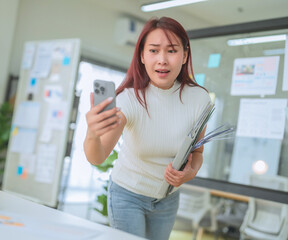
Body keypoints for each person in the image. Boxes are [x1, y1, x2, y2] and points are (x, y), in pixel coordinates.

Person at [84, 17, 211, 240]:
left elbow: (197, 153)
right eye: (153, 51)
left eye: (171, 50)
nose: (162, 60)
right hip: (127, 196)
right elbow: (98, 157)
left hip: (168, 199)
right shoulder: (129, 100)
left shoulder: (199, 98)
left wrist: (189, 173)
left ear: (185, 55)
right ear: (142, 56)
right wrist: (92, 133)